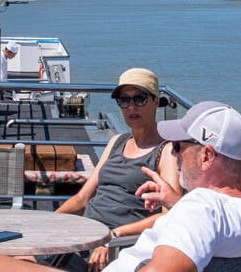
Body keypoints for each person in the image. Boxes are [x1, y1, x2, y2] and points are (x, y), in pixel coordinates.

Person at [0, 101, 241, 272]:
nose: (175, 155)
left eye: (179, 148)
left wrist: (184, 208)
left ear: (207, 155)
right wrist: (176, 202)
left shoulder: (201, 210)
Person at [52, 69, 180, 272]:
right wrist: (48, 222)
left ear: (156, 101)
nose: (131, 107)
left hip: (118, 246)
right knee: (25, 257)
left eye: (140, 99)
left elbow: (167, 215)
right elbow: (82, 199)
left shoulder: (166, 151)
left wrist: (114, 235)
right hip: (86, 235)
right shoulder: (116, 142)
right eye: (124, 100)